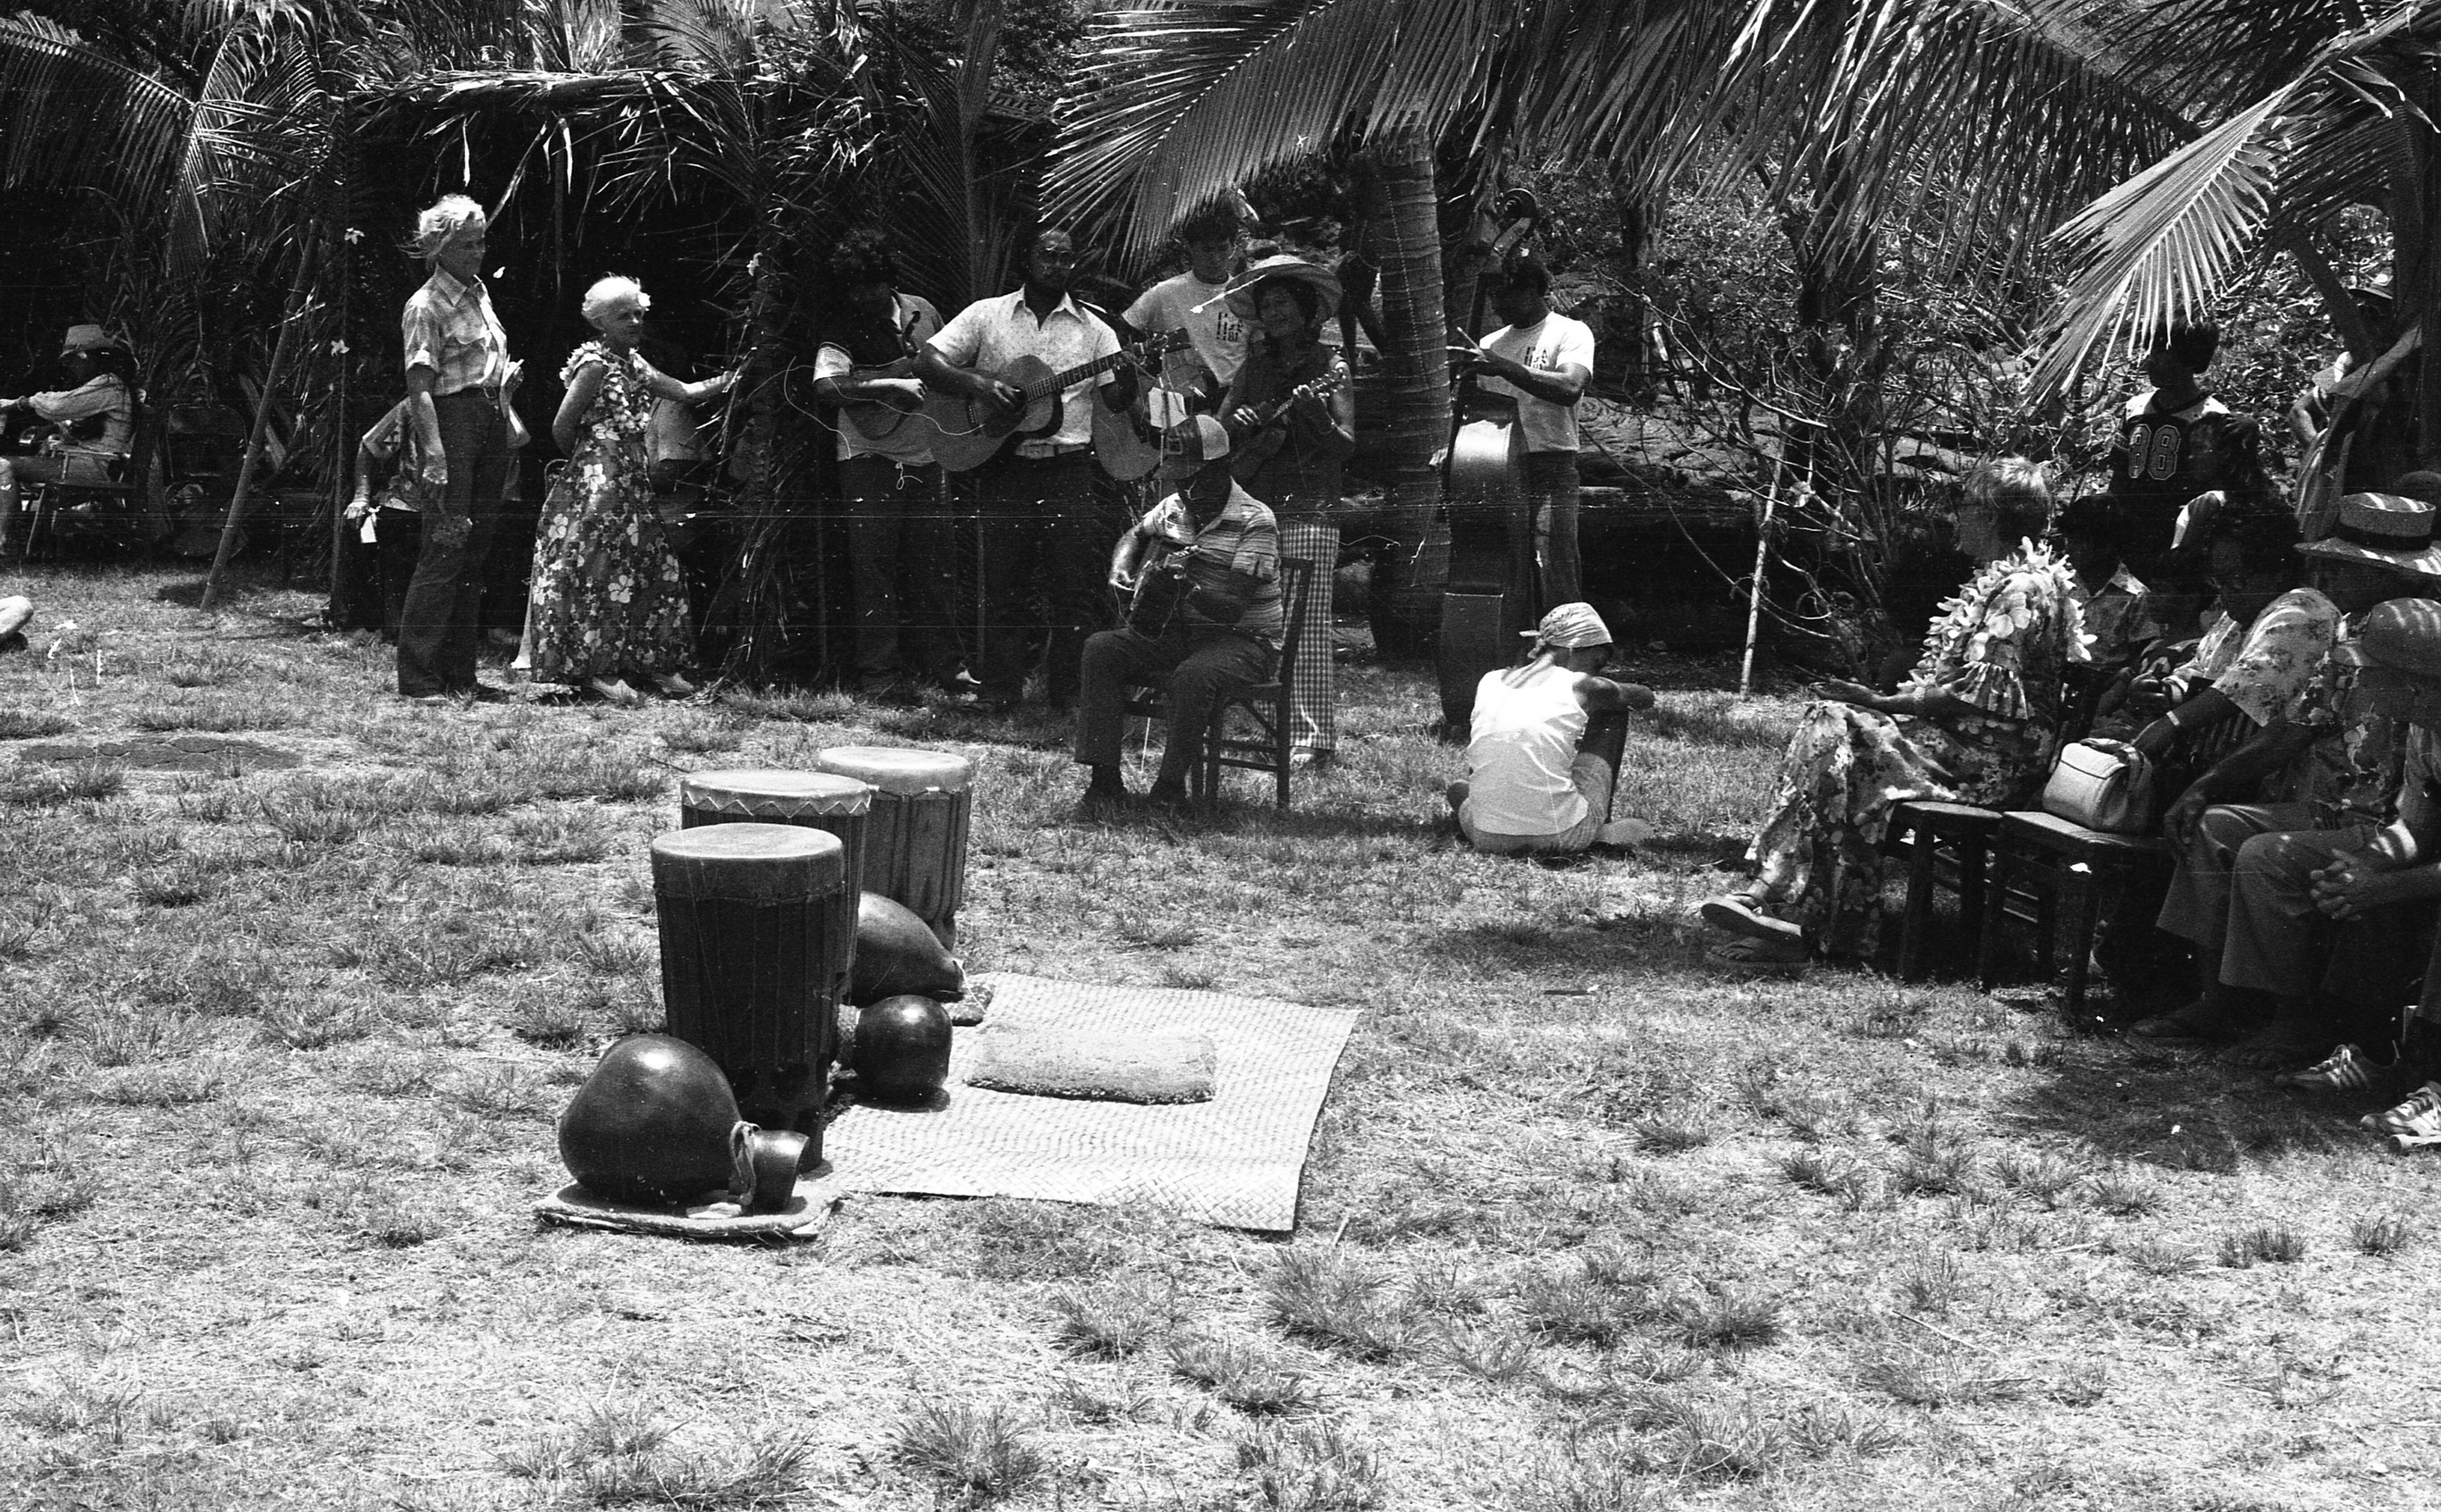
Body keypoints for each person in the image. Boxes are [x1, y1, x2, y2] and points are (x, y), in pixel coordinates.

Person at [1699, 459, 2086, 969]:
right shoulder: (2011, 580)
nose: (1958, 518)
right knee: (1835, 736)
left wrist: (1881, 703)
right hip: (1960, 743)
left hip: (1988, 763)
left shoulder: (2022, 589)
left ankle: (1779, 897)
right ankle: (1796, 913)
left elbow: (1975, 695)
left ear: (1992, 517)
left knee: (1834, 726)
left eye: (1965, 506)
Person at [2135, 492, 2441, 1052]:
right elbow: (2293, 730)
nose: (2332, 578)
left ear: (2393, 578)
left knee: (2265, 855)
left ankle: (2292, 1019)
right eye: (2334, 564)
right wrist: (2205, 789)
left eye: (2350, 569)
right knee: (2215, 827)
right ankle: (2219, 1001)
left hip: (2393, 824)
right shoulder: (2347, 641)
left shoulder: (2425, 644)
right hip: (2333, 806)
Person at [918, 229, 1142, 714]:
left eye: (1066, 257)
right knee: (1001, 584)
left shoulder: (1096, 331)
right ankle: (999, 689)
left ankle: (1067, 694)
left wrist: (1130, 376)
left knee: (1072, 586)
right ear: (1028, 259)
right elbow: (928, 360)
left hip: (1069, 470)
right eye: (1047, 254)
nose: (1056, 264)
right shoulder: (988, 314)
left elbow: (1114, 400)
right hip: (1004, 468)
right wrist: (978, 383)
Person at [528, 275, 737, 705]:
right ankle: (597, 668)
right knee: (596, 569)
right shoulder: (595, 365)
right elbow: (561, 426)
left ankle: (654, 662)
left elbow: (684, 391)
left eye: (639, 313)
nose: (635, 322)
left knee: (650, 565)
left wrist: (735, 376)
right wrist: (591, 462)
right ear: (600, 321)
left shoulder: (636, 364)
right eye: (624, 316)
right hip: (598, 481)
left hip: (632, 479)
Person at [1073, 415, 1280, 812]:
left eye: (1191, 477)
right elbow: (1135, 535)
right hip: (1180, 634)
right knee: (1102, 648)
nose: (1183, 487)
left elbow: (1233, 610)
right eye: (1178, 478)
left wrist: (1186, 586)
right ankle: (1104, 780)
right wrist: (1121, 568)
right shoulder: (1175, 505)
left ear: (1220, 468)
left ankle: (1168, 789)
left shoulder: (1256, 520)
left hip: (1244, 643)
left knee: (1193, 675)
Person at [811, 229, 965, 701]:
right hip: (868, 457)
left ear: (887, 280)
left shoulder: (925, 312)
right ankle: (879, 677)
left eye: (868, 285)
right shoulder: (843, 326)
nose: (860, 295)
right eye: (852, 287)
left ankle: (947, 670)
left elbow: (948, 364)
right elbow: (826, 387)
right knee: (873, 566)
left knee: (935, 565)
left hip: (926, 454)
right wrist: (888, 386)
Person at [1221, 256, 1355, 766]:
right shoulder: (1254, 366)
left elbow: (1346, 445)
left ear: (1305, 309)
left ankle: (1315, 738)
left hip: (1309, 509)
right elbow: (1219, 430)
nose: (1273, 311)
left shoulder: (1331, 366)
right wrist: (1243, 420)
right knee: (1260, 622)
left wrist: (1317, 419)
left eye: (1283, 302)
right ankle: (1280, 728)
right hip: (1255, 509)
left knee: (1307, 622)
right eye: (1266, 304)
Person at [394, 195, 519, 703]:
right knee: (445, 547)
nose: (478, 251)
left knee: (476, 551)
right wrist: (437, 454)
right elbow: (419, 386)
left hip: (489, 418)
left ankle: (461, 676)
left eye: (482, 241)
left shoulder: (479, 294)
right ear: (438, 246)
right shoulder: (426, 305)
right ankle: (420, 678)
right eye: (466, 244)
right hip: (452, 424)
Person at [1447, 602, 1655, 856]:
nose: (1595, 671)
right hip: (1561, 836)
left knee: (1458, 788)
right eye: (1597, 662)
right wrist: (1606, 686)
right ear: (1570, 650)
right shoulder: (1583, 685)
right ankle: (1598, 824)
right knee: (1616, 708)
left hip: (1486, 837)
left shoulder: (1489, 680)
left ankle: (1509, 822)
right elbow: (1644, 697)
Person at [1449, 251, 1595, 607]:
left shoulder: (1570, 331)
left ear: (1534, 289)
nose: (1497, 305)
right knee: (1502, 563)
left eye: (1507, 295)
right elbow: (1471, 409)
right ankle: (1512, 650)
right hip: (1491, 467)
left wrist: (1503, 368)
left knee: (1553, 561)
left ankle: (1566, 651)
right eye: (1494, 295)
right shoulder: (1489, 344)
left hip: (1550, 463)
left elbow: (1569, 389)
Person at [349, 367, 531, 643]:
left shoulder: (491, 407)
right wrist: (361, 496)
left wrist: (504, 399)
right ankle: (394, 628)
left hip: (464, 508)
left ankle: (492, 626)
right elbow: (372, 447)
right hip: (410, 504)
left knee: (501, 535)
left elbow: (515, 440)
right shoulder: (411, 409)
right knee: (395, 529)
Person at [2101, 319, 2268, 584]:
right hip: (2129, 536)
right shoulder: (2135, 408)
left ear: (2190, 361)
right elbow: (2120, 474)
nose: (2150, 361)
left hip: (2177, 541)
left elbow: (2222, 492)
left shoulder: (2213, 418)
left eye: (2161, 353)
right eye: (2150, 351)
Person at [0, 325, 138, 554]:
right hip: (93, 463)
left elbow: (60, 406)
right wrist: (48, 430)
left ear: (86, 356)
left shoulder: (108, 384)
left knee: (2, 467)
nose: (71, 367)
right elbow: (77, 417)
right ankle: (11, 535)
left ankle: (3, 539)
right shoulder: (107, 385)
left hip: (93, 466)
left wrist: (22, 403)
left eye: (72, 360)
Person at [1124, 204, 1247, 415]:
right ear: (1190, 248)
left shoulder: (1245, 295)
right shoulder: (1165, 293)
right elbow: (1121, 336)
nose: (1215, 259)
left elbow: (1259, 359)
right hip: (1177, 402)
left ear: (1233, 247)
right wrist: (1140, 395)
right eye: (1207, 250)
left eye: (1222, 249)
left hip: (1229, 402)